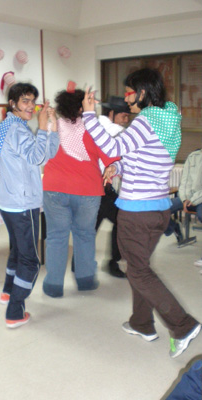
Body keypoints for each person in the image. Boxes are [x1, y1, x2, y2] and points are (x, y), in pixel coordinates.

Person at [82, 68, 201, 358]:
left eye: (130, 92)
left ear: (144, 93)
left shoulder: (145, 121)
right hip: (156, 209)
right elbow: (145, 159)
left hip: (137, 213)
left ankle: (183, 325)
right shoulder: (165, 120)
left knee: (137, 270)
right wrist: (118, 167)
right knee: (140, 268)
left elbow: (111, 145)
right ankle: (142, 323)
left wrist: (88, 115)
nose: (126, 98)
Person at [0, 83, 59, 328]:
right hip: (22, 204)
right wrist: (42, 126)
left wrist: (52, 129)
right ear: (13, 103)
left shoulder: (11, 127)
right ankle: (15, 311)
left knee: (18, 251)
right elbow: (38, 157)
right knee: (30, 262)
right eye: (25, 101)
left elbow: (45, 155)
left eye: (33, 101)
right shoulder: (18, 131)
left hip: (9, 202)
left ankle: (7, 293)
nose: (31, 106)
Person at [42, 87, 119, 298]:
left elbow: (41, 153)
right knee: (85, 235)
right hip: (87, 190)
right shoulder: (93, 128)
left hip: (54, 188)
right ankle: (85, 281)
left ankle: (53, 286)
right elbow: (110, 154)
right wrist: (112, 167)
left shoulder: (52, 126)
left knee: (56, 237)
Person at [96, 96, 130, 278]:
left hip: (97, 187)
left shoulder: (94, 126)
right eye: (123, 116)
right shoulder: (115, 130)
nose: (125, 121)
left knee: (89, 228)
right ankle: (113, 262)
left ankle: (79, 266)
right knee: (121, 220)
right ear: (111, 114)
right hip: (100, 187)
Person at [165, 148, 202, 246]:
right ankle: (173, 227)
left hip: (200, 198)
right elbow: (184, 181)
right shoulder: (193, 156)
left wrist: (194, 199)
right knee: (161, 208)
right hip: (187, 198)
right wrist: (185, 198)